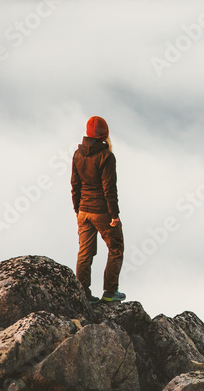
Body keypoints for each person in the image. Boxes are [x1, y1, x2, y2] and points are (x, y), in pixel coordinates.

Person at [71, 115, 126, 303]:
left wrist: (76, 208)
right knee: (116, 247)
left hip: (83, 211)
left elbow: (75, 184)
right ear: (104, 134)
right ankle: (110, 292)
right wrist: (114, 215)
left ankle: (82, 294)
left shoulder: (78, 154)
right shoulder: (106, 157)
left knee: (84, 252)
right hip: (101, 211)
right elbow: (109, 188)